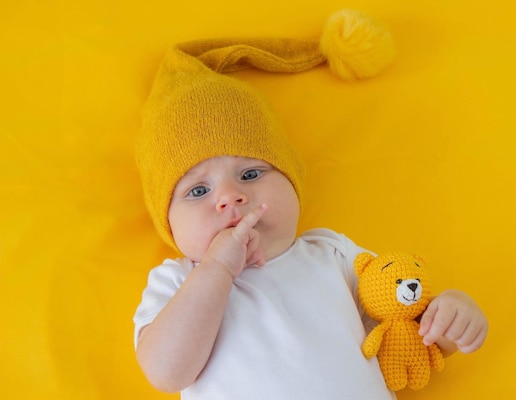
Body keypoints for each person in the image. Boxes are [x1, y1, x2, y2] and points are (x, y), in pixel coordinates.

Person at [133, 9, 488, 400]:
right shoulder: (178, 282)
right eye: (198, 191)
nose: (230, 197)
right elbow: (167, 373)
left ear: (292, 183)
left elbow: (402, 335)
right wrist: (216, 269)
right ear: (167, 222)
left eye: (251, 174)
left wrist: (447, 320)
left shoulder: (332, 254)